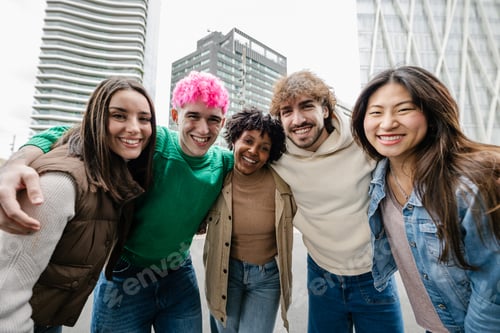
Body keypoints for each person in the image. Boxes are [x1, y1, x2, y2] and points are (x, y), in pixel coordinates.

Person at [0, 71, 233, 332]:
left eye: (213, 120)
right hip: (125, 275)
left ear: (222, 123)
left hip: (178, 272)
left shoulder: (224, 161)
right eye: (193, 116)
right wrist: (14, 165)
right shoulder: (154, 140)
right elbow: (66, 132)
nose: (203, 129)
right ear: (176, 115)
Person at [0, 76, 157, 333]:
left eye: (144, 118)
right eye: (119, 115)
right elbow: (5, 293)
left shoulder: (111, 170)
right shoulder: (59, 185)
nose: (134, 128)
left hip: (46, 313)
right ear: (96, 118)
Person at [350, 65, 500, 332]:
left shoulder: (469, 185)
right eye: (375, 113)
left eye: (404, 110)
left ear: (432, 114)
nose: (387, 123)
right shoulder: (378, 180)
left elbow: (493, 287)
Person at [268, 70, 404, 333]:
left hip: (373, 275)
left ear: (326, 110)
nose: (297, 120)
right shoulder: (276, 155)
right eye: (286, 111)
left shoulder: (364, 141)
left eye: (307, 106)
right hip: (321, 274)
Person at [203, 107, 296, 332]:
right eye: (248, 141)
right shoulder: (216, 177)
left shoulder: (282, 184)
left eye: (264, 148)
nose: (254, 151)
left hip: (266, 278)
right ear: (234, 139)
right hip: (225, 272)